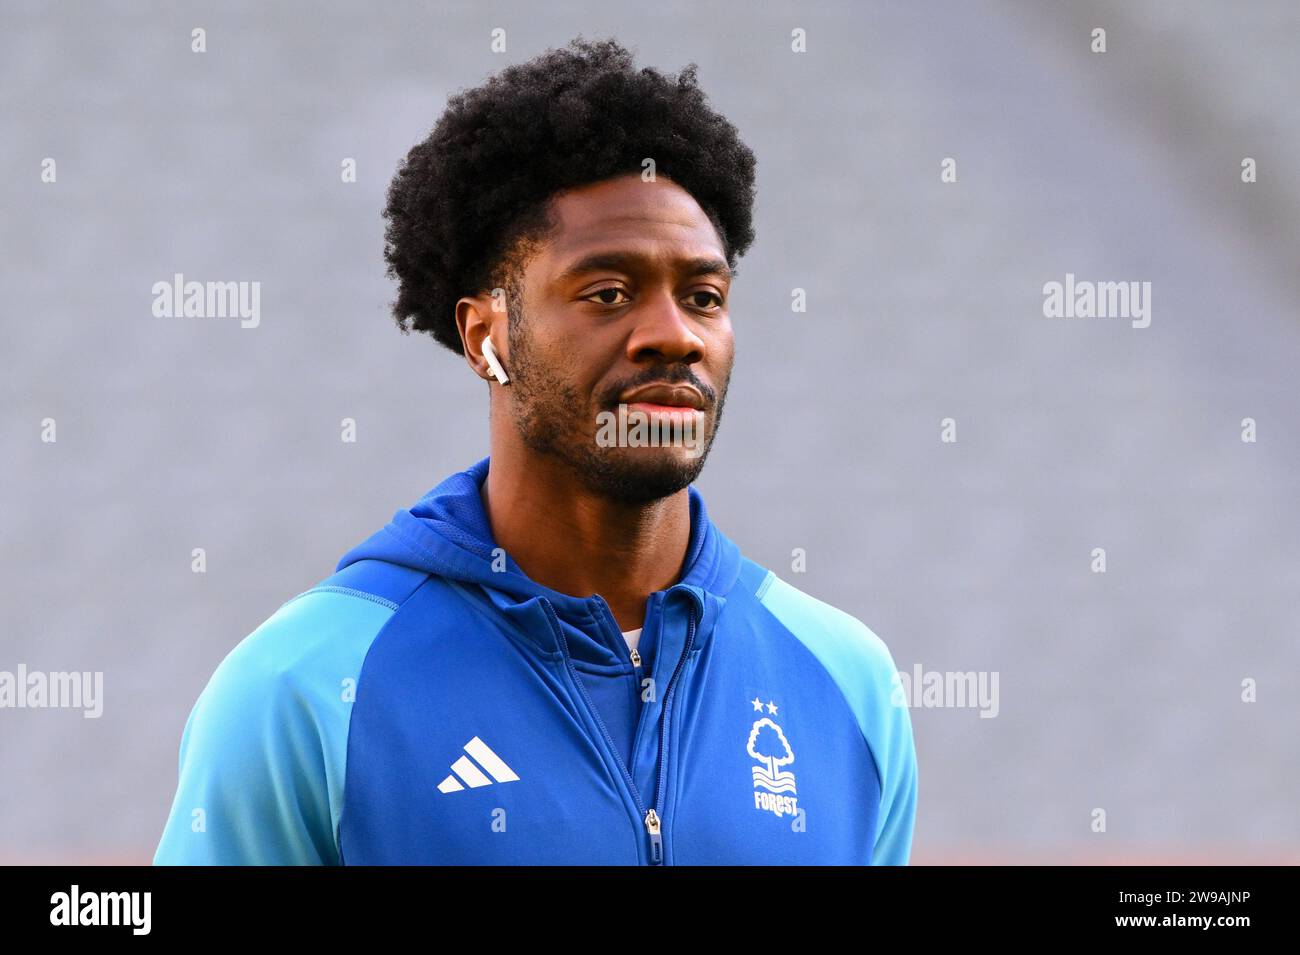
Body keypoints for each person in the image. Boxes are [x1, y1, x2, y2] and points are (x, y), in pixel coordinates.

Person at [154, 36, 917, 866]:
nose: (673, 335)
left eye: (703, 296)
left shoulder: (848, 684)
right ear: (488, 336)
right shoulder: (300, 690)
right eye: (608, 292)